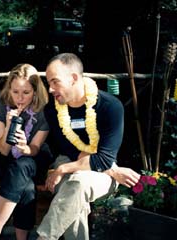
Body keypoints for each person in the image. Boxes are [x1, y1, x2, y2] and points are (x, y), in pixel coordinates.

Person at [36, 53, 141, 240]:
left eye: (55, 82)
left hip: (96, 168)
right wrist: (110, 169)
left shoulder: (110, 107)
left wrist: (63, 169)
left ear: (74, 78)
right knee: (75, 196)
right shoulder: (52, 110)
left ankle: (44, 237)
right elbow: (71, 151)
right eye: (48, 82)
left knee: (78, 184)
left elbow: (105, 158)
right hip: (97, 166)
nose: (50, 89)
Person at [0, 63, 52, 240]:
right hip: (6, 160)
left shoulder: (44, 112)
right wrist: (8, 126)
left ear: (36, 92)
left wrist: (26, 148)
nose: (20, 98)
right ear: (9, 89)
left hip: (34, 160)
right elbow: (3, 150)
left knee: (23, 164)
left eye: (26, 92)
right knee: (27, 189)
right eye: (15, 92)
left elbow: (36, 148)